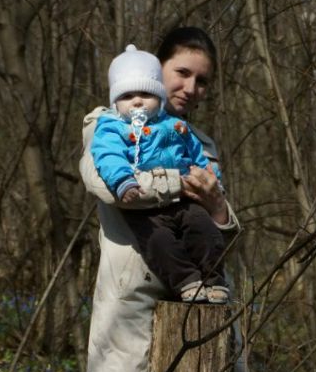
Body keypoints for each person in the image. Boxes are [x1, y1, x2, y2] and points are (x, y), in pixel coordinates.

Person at [43, 27, 255, 372]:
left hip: (199, 315)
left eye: (202, 80)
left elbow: (221, 235)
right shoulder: (110, 124)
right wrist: (188, 187)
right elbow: (112, 188)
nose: (191, 87)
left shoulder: (197, 143)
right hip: (135, 314)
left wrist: (221, 210)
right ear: (153, 72)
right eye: (182, 72)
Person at [88, 44, 230, 304]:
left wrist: (214, 185)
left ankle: (213, 278)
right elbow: (108, 159)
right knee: (158, 240)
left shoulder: (177, 127)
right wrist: (124, 180)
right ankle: (188, 279)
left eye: (146, 93)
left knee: (202, 228)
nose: (138, 101)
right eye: (182, 72)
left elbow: (198, 159)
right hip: (135, 290)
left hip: (185, 206)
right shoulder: (108, 126)